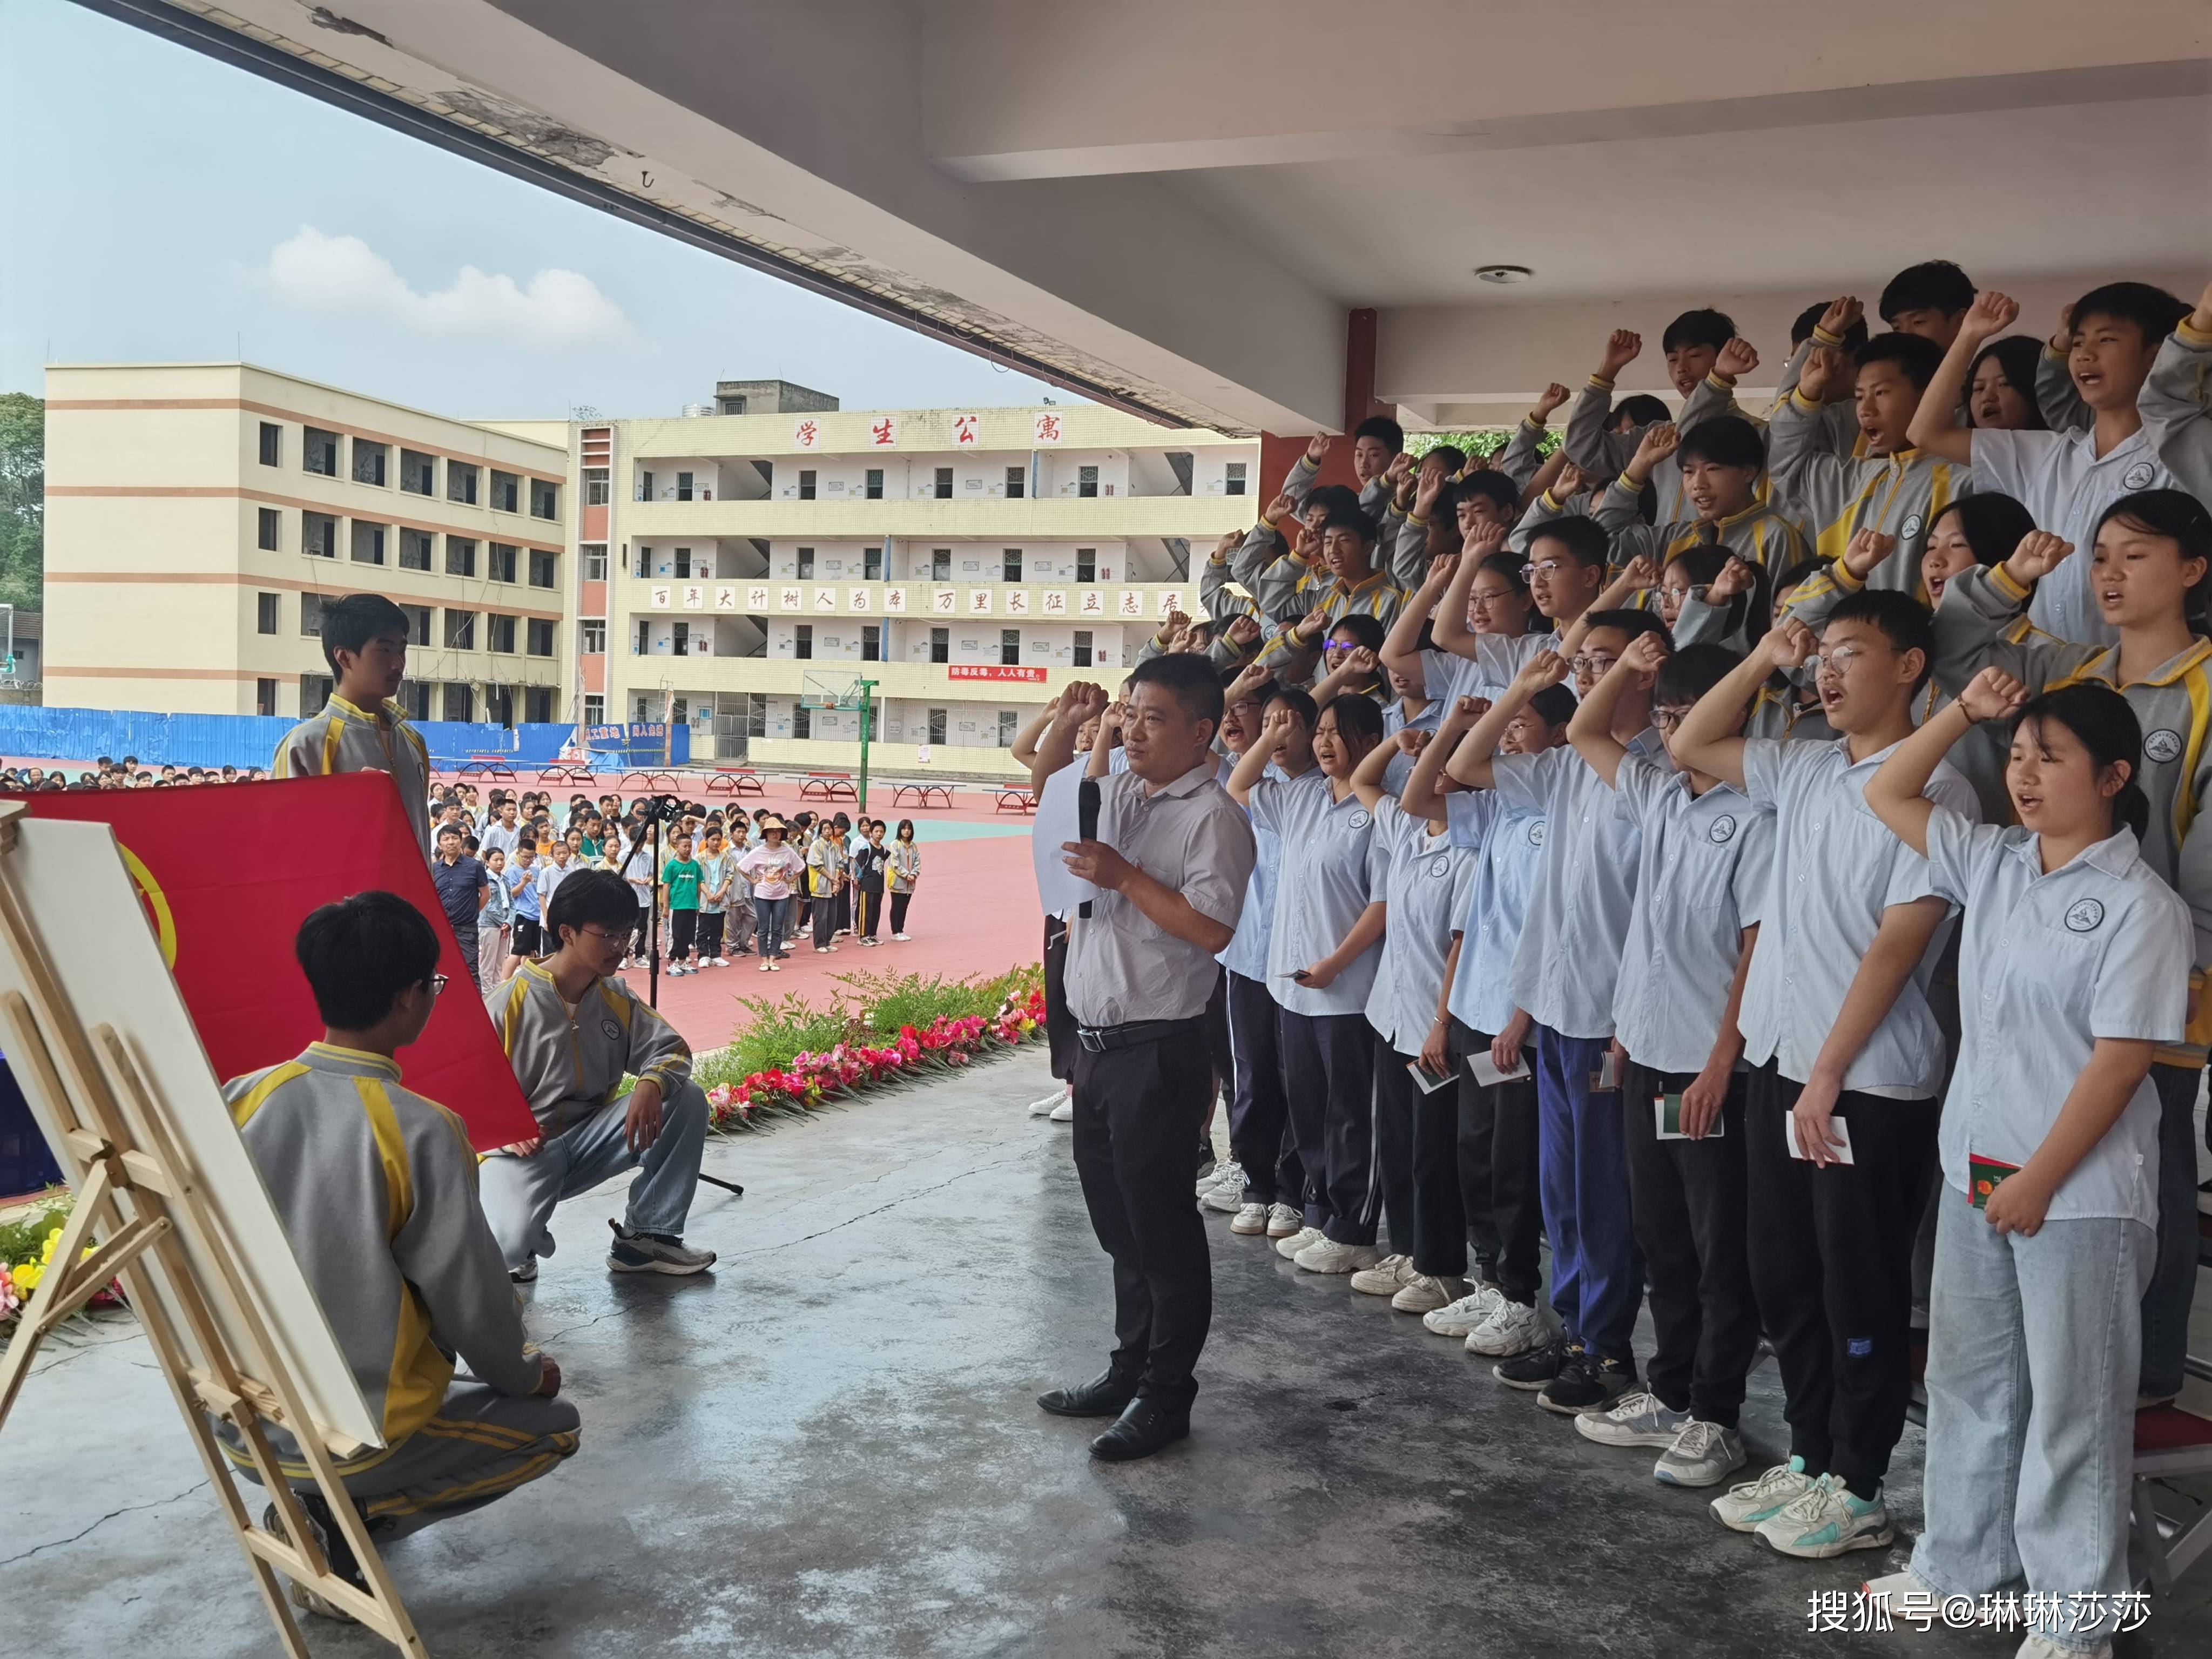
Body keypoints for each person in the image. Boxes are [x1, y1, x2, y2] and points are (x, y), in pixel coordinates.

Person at [1861, 673, 2189, 1657]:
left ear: (2115, 775)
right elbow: (1885, 792)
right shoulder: (1998, 862)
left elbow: (2121, 1058)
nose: (2026, 775)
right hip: (1980, 1171)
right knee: (1971, 1382)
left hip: (2075, 1193)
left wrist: (2041, 1177)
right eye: (2017, 755)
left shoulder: (2141, 905)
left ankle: (2075, 1615)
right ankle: (1961, 1569)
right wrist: (1962, 714)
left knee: (2071, 1402)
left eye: (2051, 757)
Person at [1672, 592, 1980, 1561]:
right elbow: (1689, 740)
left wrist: (1828, 1075)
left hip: (1863, 1087)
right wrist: (1766, 652)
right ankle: (1810, 1459)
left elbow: (1897, 948)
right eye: (1824, 656)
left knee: (1859, 1290)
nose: (1829, 673)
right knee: (1784, 1279)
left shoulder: (1942, 792)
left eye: (1854, 653)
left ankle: (1860, 1482)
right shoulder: (1805, 766)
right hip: (1779, 1063)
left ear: (1912, 669)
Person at [1924, 491, 2212, 1409]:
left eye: (2136, 555)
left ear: (2194, 570)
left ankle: (2145, 1381)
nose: (2110, 574)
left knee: (2142, 1171)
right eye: (2100, 558)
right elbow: (1954, 648)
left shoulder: (2206, 688)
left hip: (2152, 969)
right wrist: (2010, 578)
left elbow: (2199, 876)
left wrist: (2170, 964)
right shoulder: (2075, 671)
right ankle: (2015, 1368)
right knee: (2018, 1161)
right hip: (2034, 959)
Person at [221, 893, 576, 1621]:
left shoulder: (242, 1097)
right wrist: (523, 1371)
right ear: (413, 996)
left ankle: (326, 1513)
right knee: (554, 1427)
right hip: (354, 1429)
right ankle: (347, 1530)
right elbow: (472, 1301)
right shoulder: (421, 1130)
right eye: (436, 987)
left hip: (242, 1419)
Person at [1027, 658, 1256, 1461]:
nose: (1132, 729)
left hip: (1161, 1048)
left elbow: (1212, 930)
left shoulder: (1214, 818)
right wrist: (1080, 727)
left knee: (1163, 1230)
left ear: (1200, 732)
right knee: (1118, 1225)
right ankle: (1128, 1370)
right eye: (1129, 713)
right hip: (1096, 1048)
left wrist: (1126, 877)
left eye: (1152, 718)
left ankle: (1168, 1396)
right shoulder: (1123, 792)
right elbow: (1055, 792)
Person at [1444, 613, 1671, 1415]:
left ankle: (1608, 1348)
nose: (1587, 677)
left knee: (1606, 1194)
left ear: (1647, 673)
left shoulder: (1657, 774)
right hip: (1555, 1012)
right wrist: (1521, 688)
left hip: (1615, 1018)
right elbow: (1468, 762)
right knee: (1562, 1192)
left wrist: (1623, 1023)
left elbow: (1651, 910)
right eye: (1586, 665)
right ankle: (1575, 1330)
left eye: (1607, 663)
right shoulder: (1569, 766)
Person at [1566, 638, 1771, 1489]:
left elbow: (1756, 950)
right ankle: (1672, 1390)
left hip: (1707, 1063)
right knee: (1663, 1238)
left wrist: (1724, 1061)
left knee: (1721, 1246)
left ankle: (1717, 1417)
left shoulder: (1758, 815)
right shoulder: (1658, 797)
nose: (1675, 735)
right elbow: (1583, 731)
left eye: (1693, 719)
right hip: (1646, 1049)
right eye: (1667, 718)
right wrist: (1628, 671)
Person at [1909, 285, 2192, 641]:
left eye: (2106, 341)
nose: (2085, 355)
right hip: (2044, 672)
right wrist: (1969, 336)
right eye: (2077, 343)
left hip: (2130, 675)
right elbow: (1926, 432)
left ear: (2155, 355)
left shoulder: (2178, 460)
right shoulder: (2046, 453)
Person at [480, 869, 715, 1283]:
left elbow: (672, 1050)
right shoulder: (506, 1004)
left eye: (626, 934)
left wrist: (650, 1083)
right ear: (567, 932)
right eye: (608, 935)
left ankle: (646, 1238)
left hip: (593, 1140)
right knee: (504, 1248)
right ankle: (521, 1236)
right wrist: (498, 1126)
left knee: (686, 1097)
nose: (620, 947)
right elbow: (459, 1090)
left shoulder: (616, 997)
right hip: (526, 1151)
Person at [1226, 690, 1390, 1277]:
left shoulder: (1375, 813)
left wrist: (1335, 964)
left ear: (1369, 744)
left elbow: (1382, 904)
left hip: (1344, 990)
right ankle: (1321, 1214)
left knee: (1348, 1111)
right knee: (1310, 1108)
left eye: (1335, 732)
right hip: (1291, 988)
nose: (1322, 742)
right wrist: (1273, 737)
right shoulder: (1301, 798)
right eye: (1316, 732)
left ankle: (1353, 1226)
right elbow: (1238, 788)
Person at [1345, 726, 1481, 1313]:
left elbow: (1460, 944)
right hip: (1390, 1013)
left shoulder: (1473, 849)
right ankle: (1405, 1249)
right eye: (1425, 765)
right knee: (1397, 1141)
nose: (1427, 774)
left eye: (1441, 765)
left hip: (1433, 1022)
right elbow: (1362, 780)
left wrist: (1442, 1023)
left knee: (1434, 1150)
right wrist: (1408, 740)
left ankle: (1442, 1267)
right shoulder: (1406, 831)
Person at [1765, 298, 1966, 589]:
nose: (1865, 410)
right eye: (1860, 396)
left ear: (1931, 392)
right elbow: (1785, 460)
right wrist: (1807, 389)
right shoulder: (1845, 480)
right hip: (1837, 634)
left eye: (1881, 393)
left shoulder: (1964, 480)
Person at [272, 594, 434, 860]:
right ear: (345, 658)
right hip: (344, 901)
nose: (398, 663)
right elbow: (285, 846)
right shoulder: (307, 745)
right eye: (384, 650)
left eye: (402, 649)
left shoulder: (413, 741)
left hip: (411, 902)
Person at [738, 817, 804, 972]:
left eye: (778, 832)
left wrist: (790, 880)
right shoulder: (759, 851)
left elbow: (801, 867)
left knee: (777, 928)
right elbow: (742, 867)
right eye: (771, 832)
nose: (775, 835)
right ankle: (764, 959)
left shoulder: (787, 850)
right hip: (762, 894)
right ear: (765, 834)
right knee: (763, 928)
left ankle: (773, 957)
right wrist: (753, 880)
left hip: (781, 894)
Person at [429, 824, 490, 989]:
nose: (451, 842)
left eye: (455, 838)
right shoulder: (434, 869)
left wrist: (471, 912)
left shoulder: (474, 866)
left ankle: (476, 1011)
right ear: (440, 845)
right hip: (441, 930)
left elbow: (486, 894)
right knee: (438, 971)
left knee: (470, 971)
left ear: (461, 842)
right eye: (446, 839)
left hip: (466, 930)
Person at [660, 829, 704, 976]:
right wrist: (666, 906)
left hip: (691, 906)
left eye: (690, 846)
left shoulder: (695, 865)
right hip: (676, 906)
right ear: (677, 847)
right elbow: (666, 886)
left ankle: (683, 961)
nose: (687, 849)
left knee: (688, 935)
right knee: (676, 935)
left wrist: (698, 904)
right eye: (684, 846)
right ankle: (671, 964)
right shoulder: (672, 866)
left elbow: (698, 885)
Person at [698, 824, 744, 963]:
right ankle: (703, 955)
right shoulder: (699, 858)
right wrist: (708, 894)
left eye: (719, 840)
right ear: (707, 840)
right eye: (713, 839)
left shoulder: (726, 857)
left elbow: (730, 875)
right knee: (703, 930)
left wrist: (722, 891)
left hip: (720, 898)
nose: (716, 843)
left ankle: (716, 955)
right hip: (705, 900)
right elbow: (698, 878)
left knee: (717, 930)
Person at [503, 840, 541, 976]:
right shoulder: (512, 871)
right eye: (525, 857)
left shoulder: (536, 871)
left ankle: (526, 979)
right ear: (518, 854)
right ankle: (504, 981)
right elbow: (511, 894)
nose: (528, 860)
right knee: (519, 951)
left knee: (531, 951)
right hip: (522, 915)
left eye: (531, 857)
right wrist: (524, 882)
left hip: (537, 915)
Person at [477, 846, 514, 989]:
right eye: (496, 860)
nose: (500, 863)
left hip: (504, 925)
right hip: (489, 924)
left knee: (499, 962)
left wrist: (510, 922)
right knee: (488, 962)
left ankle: (497, 989)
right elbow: (488, 904)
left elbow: (512, 903)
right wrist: (503, 922)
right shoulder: (484, 880)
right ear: (488, 862)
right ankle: (486, 992)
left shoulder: (505, 880)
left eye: (502, 860)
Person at [851, 820, 891, 945]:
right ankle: (863, 936)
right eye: (876, 831)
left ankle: (872, 934)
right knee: (866, 911)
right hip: (867, 885)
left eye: (882, 832)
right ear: (871, 833)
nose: (879, 834)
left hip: (878, 886)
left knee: (876, 911)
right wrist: (857, 878)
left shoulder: (883, 851)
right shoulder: (866, 848)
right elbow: (856, 863)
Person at [888, 820, 921, 941]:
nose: (906, 831)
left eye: (909, 829)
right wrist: (906, 875)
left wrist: (914, 874)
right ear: (900, 830)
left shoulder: (914, 846)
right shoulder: (895, 845)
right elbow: (894, 864)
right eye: (904, 828)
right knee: (897, 906)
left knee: (904, 907)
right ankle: (895, 931)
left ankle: (901, 930)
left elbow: (917, 862)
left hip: (909, 883)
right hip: (898, 882)